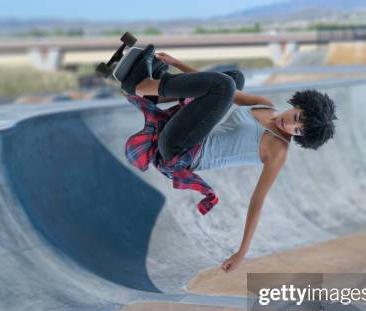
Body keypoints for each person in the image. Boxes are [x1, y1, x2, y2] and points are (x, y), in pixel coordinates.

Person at [121, 45, 337, 273]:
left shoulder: (278, 151)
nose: (291, 125)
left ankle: (144, 86)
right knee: (234, 79)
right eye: (297, 117)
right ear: (299, 105)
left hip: (180, 150)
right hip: (184, 129)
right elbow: (216, 85)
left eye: (298, 130)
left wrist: (242, 252)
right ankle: (156, 88)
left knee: (225, 85)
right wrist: (178, 63)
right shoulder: (265, 104)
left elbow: (257, 200)